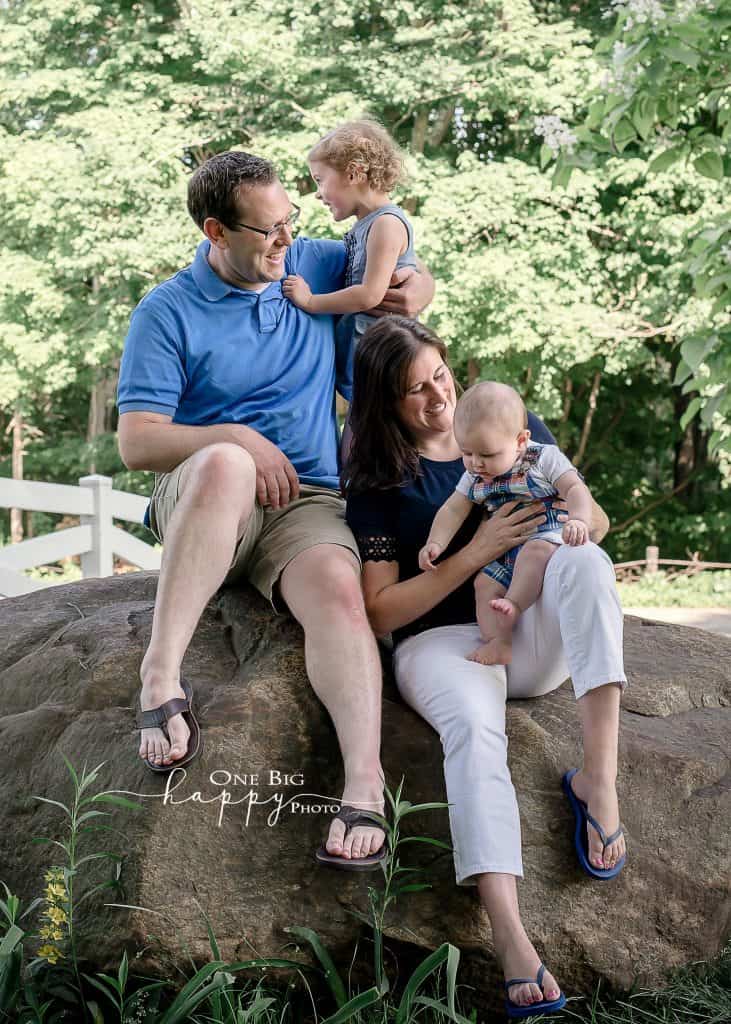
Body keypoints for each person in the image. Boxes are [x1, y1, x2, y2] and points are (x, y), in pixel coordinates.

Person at [116, 151, 434, 867]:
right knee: (229, 462)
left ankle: (362, 786)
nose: (286, 240)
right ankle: (159, 677)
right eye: (266, 232)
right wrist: (235, 436)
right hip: (207, 497)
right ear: (214, 231)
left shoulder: (316, 265)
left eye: (289, 221)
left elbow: (396, 245)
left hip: (306, 500)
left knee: (338, 593)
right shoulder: (166, 310)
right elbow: (137, 444)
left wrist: (421, 286)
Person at [344, 316, 627, 1016]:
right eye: (416, 390)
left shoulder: (508, 422)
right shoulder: (381, 478)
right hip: (443, 643)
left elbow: (591, 518)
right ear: (385, 402)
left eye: (440, 374)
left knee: (587, 563)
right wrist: (475, 552)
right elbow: (380, 612)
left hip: (524, 628)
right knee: (473, 726)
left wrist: (568, 528)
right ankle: (508, 933)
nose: (438, 398)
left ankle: (598, 781)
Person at [418, 380, 594, 666]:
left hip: (547, 537)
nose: (476, 463)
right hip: (506, 552)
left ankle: (513, 603)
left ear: (521, 441)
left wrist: (579, 519)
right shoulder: (475, 475)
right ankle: (499, 641)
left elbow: (575, 488)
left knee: (534, 554)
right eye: (466, 453)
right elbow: (453, 509)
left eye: (487, 455)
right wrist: (435, 542)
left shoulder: (543, 458)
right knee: (483, 585)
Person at [281, 118, 416, 434]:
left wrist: (311, 301)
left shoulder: (386, 224)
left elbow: (370, 294)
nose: (318, 193)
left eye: (320, 180)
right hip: (366, 367)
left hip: (384, 361)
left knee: (377, 440)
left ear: (354, 173)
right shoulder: (367, 225)